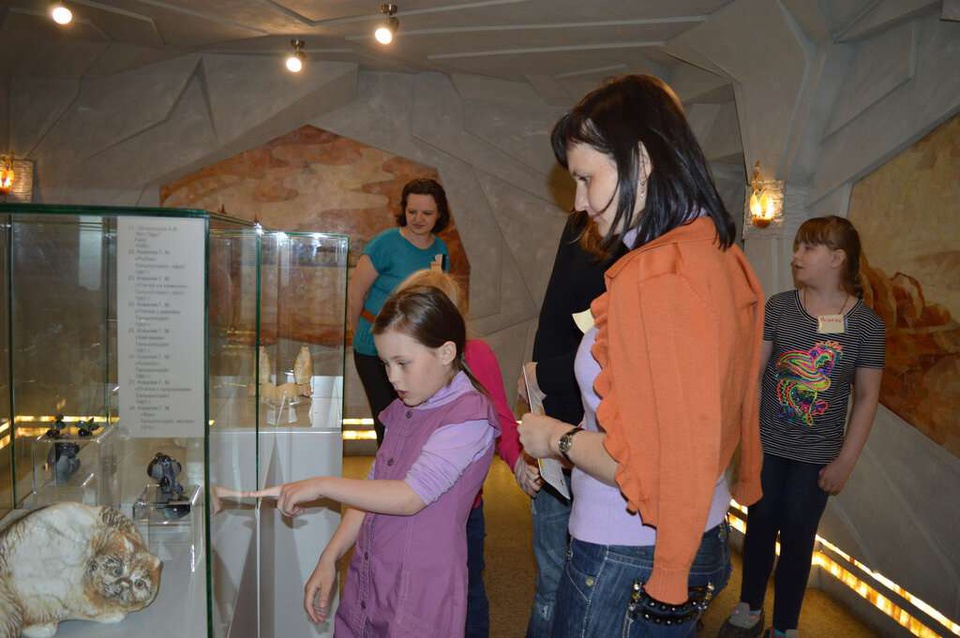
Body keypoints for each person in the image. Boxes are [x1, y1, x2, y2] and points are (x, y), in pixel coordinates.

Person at [518, 74, 766, 638]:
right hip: (697, 527)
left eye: (587, 179)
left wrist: (554, 438)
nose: (580, 202)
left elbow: (651, 468)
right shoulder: (713, 252)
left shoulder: (658, 274)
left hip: (625, 550)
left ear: (642, 161)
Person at [271, 285, 500, 636]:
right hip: (374, 576)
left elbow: (409, 497)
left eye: (402, 363)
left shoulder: (468, 417)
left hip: (420, 592)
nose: (392, 377)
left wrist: (321, 485)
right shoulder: (405, 409)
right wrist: (330, 556)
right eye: (386, 364)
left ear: (446, 352)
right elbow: (373, 489)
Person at [717, 216, 885, 638]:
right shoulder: (779, 307)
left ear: (837, 259)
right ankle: (749, 607)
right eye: (797, 246)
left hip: (817, 458)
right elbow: (754, 374)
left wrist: (845, 462)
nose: (796, 256)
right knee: (759, 525)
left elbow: (867, 397)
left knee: (798, 536)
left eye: (807, 248)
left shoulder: (868, 325)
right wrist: (747, 438)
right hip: (768, 446)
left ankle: (785, 626)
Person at [516, 210, 625, 638]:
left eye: (587, 180)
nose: (580, 195)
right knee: (551, 581)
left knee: (587, 589)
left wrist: (542, 375)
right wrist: (537, 386)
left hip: (596, 435)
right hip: (556, 417)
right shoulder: (582, 222)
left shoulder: (641, 246)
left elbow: (616, 352)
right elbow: (560, 319)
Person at [396, 268, 520, 638]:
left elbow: (501, 417)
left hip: (461, 509)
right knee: (413, 589)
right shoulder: (403, 359)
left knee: (467, 591)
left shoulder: (476, 354)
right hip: (412, 497)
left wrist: (520, 463)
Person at [349, 177, 451, 445]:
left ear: (439, 214)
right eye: (412, 211)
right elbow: (355, 294)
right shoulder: (384, 243)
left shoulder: (441, 249)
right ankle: (387, 469)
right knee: (386, 418)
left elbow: (440, 301)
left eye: (427, 213)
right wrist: (357, 335)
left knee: (416, 418)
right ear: (403, 210)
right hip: (374, 349)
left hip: (417, 350)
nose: (418, 218)